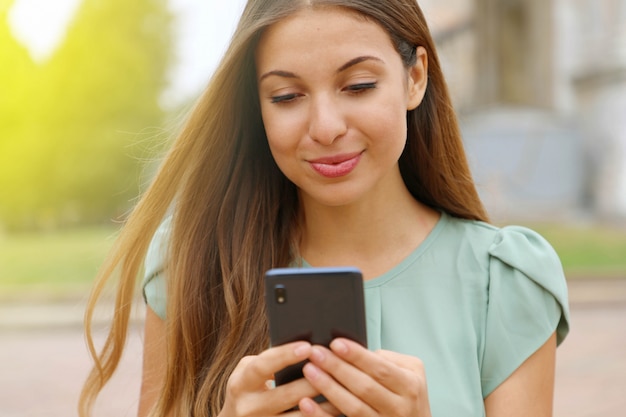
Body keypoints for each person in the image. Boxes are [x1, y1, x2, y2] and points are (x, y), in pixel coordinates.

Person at [79, 1, 570, 416]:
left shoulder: (503, 283)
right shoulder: (191, 262)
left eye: (358, 86)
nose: (326, 126)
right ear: (259, 106)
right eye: (286, 96)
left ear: (415, 77)